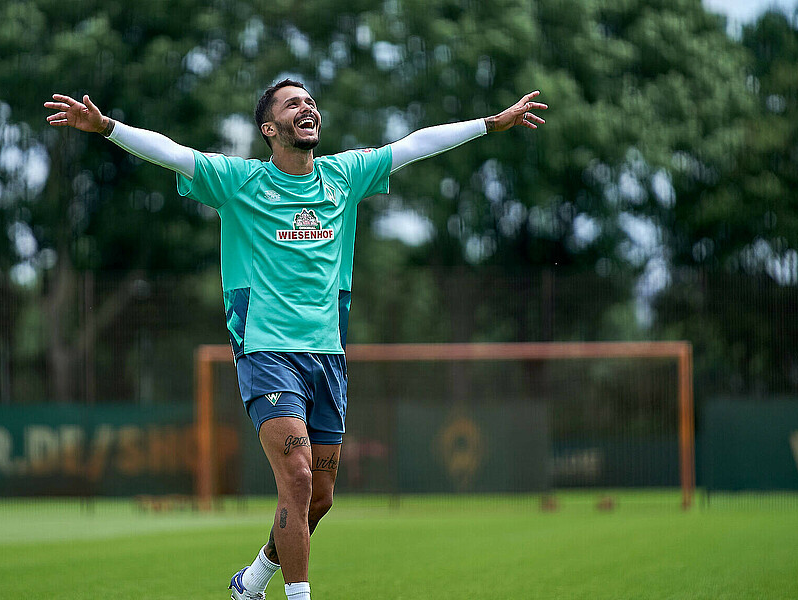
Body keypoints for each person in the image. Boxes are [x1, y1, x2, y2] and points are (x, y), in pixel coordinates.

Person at [44, 80, 546, 600]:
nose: (307, 108)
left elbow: (416, 143)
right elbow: (174, 153)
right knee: (299, 478)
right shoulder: (240, 183)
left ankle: (253, 580)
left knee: (320, 498)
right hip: (266, 352)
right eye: (292, 104)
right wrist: (106, 127)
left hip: (328, 357)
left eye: (310, 102)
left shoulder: (344, 176)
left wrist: (490, 123)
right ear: (269, 128)